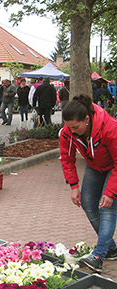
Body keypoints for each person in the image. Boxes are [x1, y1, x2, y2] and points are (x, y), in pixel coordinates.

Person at [59, 94, 117, 273]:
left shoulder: (110, 128)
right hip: (94, 165)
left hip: (113, 167)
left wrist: (110, 191)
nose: (72, 131)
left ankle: (98, 256)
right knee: (88, 204)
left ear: (86, 119)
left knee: (106, 206)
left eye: (76, 127)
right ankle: (111, 248)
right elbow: (67, 159)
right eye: (69, 127)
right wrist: (74, 187)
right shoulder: (67, 132)